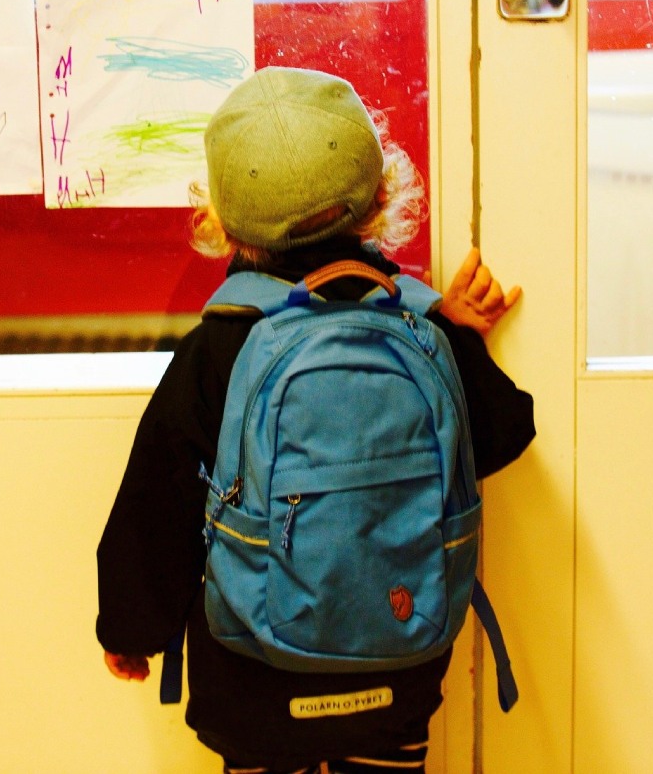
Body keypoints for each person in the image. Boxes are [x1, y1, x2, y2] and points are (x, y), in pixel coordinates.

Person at [96, 66, 536, 774]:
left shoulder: (219, 350)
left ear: (219, 224)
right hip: (400, 666)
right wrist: (455, 338)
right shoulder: (420, 331)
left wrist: (129, 628)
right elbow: (504, 433)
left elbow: (157, 505)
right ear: (383, 195)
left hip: (254, 681)